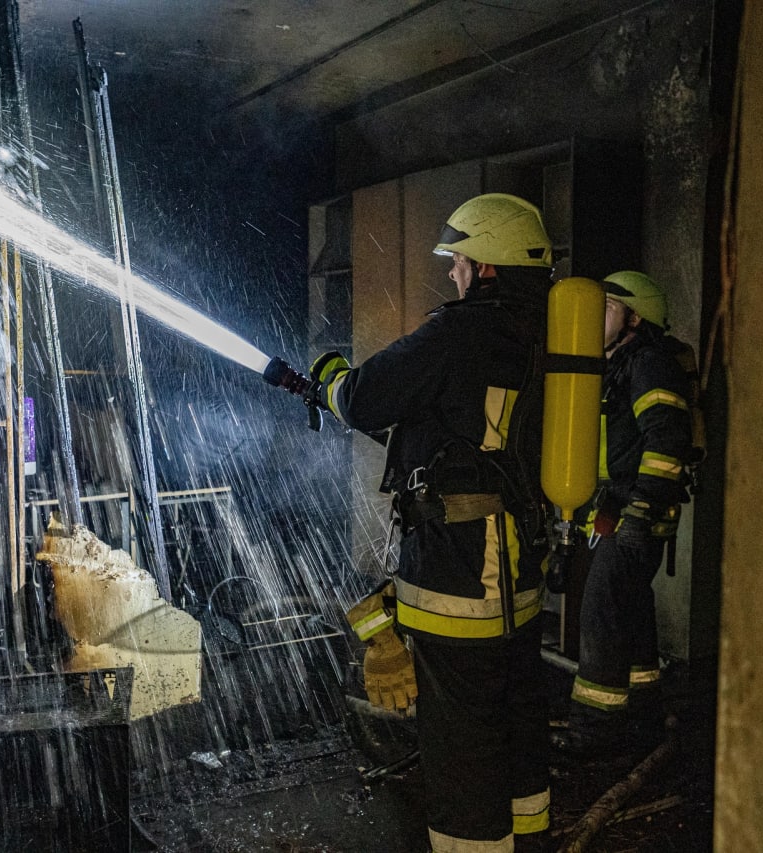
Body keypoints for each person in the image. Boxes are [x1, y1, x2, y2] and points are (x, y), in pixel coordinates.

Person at [312, 193, 554, 853]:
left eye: (460, 261)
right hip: (519, 571)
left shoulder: (457, 333)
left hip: (460, 573)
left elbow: (363, 397)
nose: (453, 272)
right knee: (517, 719)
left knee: (462, 740)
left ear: (487, 267)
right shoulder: (546, 334)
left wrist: (328, 377)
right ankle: (531, 839)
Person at [554, 270, 693, 756]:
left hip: (636, 514)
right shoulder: (617, 366)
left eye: (608, 308)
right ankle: (644, 712)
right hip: (618, 511)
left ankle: (594, 734)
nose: (596, 317)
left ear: (636, 319)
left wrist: (638, 514)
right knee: (631, 609)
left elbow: (666, 442)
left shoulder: (649, 364)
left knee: (602, 614)